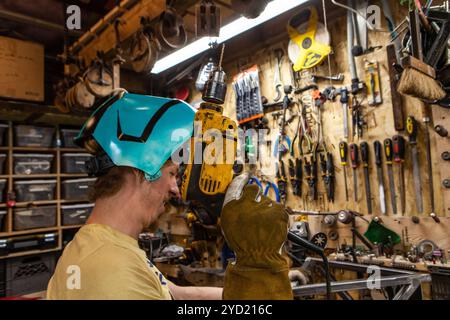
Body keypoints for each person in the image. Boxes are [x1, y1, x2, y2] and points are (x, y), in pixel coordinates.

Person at [47, 91, 222, 299]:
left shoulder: (99, 247)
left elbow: (176, 294)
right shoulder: (115, 273)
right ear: (141, 170)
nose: (175, 189)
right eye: (172, 173)